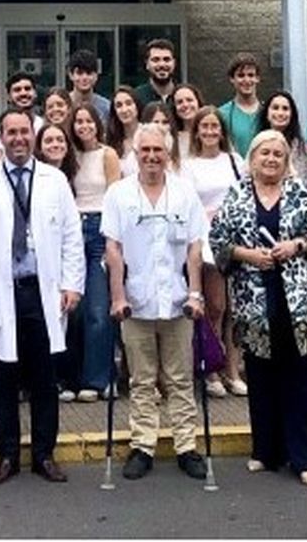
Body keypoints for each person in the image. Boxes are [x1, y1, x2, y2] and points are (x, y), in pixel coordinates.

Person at [0, 109, 85, 484]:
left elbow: (72, 237)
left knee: (45, 378)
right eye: (10, 132)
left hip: (41, 291)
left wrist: (72, 284)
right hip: (0, 293)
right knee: (4, 379)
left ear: (34, 135)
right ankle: (7, 454)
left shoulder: (55, 179)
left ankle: (44, 454)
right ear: (1, 137)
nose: (18, 138)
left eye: (24, 132)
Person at [210, 130, 307, 488]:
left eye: (278, 154)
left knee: (305, 381)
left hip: (300, 302)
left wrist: (296, 245)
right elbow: (219, 240)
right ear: (253, 157)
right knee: (263, 378)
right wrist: (248, 254)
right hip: (255, 301)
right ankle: (267, 450)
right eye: (265, 153)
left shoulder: (300, 192)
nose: (271, 159)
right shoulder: (237, 193)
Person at [104, 122, 209, 480]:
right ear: (136, 154)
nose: (151, 157)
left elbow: (195, 247)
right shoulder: (119, 194)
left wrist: (196, 294)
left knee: (180, 379)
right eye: (145, 151)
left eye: (158, 151)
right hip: (136, 300)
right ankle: (143, 445)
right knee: (142, 379)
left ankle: (186, 446)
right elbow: (113, 249)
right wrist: (118, 297)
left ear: (167, 154)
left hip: (178, 301)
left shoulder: (184, 193)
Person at [180, 106, 249, 397]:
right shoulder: (187, 164)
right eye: (203, 127)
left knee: (237, 308)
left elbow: (246, 193)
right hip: (206, 240)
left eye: (214, 127)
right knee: (216, 305)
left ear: (222, 131)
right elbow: (187, 203)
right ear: (196, 131)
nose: (209, 132)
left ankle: (232, 369)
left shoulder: (234, 160)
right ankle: (211, 366)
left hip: (237, 238)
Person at [61, 104, 120, 403]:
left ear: (98, 124)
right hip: (72, 231)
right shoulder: (68, 156)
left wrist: (111, 240)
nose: (84, 126)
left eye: (89, 121)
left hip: (100, 230)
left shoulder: (108, 154)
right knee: (74, 312)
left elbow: (115, 196)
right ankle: (71, 378)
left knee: (99, 310)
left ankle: (99, 379)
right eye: (78, 121)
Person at [216, 52, 264, 157]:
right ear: (232, 79)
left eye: (251, 75)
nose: (246, 80)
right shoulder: (221, 114)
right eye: (241, 75)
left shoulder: (267, 112)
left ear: (257, 78)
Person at [264, 89, 307, 178]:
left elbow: (301, 178)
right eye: (275, 108)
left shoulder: (300, 146)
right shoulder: (257, 142)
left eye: (285, 109)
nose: (280, 113)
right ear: (267, 113)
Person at [65, 48, 111, 122]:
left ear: (96, 76)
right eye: (79, 73)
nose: (84, 78)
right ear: (71, 75)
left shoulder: (107, 108)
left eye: (89, 73)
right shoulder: (62, 106)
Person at [132, 38, 177, 110]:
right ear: (147, 64)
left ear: (174, 63)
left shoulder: (184, 97)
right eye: (156, 60)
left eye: (166, 59)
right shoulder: (136, 98)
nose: (162, 64)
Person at [107, 86, 142, 176]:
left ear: (137, 106)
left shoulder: (148, 134)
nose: (124, 110)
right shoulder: (110, 140)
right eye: (119, 105)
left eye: (129, 103)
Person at [169, 84, 203, 157]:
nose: (185, 105)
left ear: (198, 103)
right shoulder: (171, 139)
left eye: (189, 100)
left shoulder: (211, 134)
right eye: (179, 102)